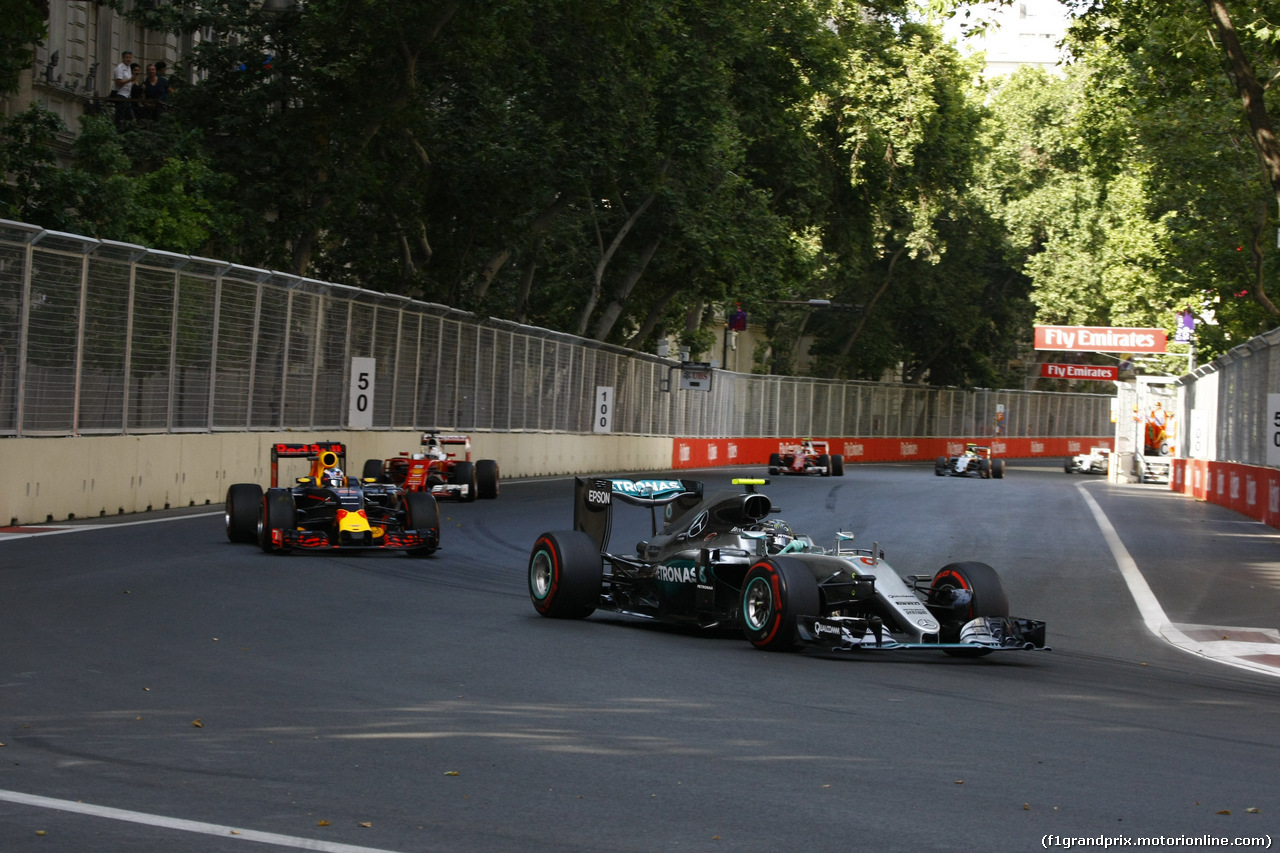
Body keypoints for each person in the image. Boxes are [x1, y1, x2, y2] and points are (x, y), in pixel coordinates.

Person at [109, 50, 135, 123]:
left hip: (127, 95)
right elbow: (118, 82)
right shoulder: (120, 68)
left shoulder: (129, 68)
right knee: (120, 115)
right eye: (126, 57)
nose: (128, 59)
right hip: (120, 94)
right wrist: (130, 79)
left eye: (130, 57)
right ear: (123, 58)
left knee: (128, 116)